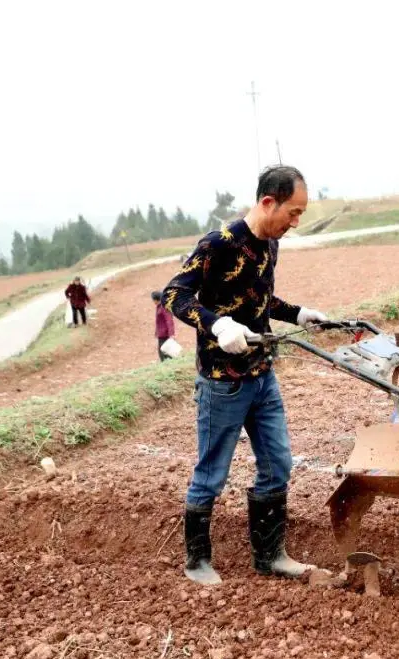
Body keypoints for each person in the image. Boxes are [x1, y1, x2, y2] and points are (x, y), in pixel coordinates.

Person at [162, 165, 329, 585]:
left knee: (278, 464)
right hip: (223, 381)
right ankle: (197, 561)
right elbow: (174, 294)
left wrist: (298, 314)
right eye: (292, 213)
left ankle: (269, 555)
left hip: (262, 375)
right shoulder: (219, 243)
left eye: (300, 215)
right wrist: (217, 324)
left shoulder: (270, 245)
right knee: (211, 473)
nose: (294, 224)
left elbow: (261, 299)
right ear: (267, 202)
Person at [152, 290, 176, 361]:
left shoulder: (164, 307)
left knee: (165, 354)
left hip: (165, 335)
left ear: (156, 300)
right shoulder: (159, 306)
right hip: (161, 334)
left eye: (153, 300)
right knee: (163, 353)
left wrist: (172, 334)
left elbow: (169, 321)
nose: (153, 302)